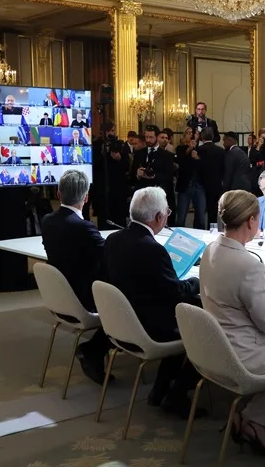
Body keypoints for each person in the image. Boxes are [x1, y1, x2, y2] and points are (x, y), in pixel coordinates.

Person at [200, 190, 265, 454]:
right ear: (251, 221)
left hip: (215, 349)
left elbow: (228, 290)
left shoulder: (211, 249)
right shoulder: (248, 264)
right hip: (245, 354)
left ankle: (250, 417)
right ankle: (256, 421)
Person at [103, 187, 203, 418]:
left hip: (124, 319)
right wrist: (197, 281)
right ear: (159, 217)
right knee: (204, 327)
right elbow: (176, 293)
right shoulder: (153, 250)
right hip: (150, 325)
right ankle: (177, 394)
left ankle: (160, 390)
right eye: (167, 212)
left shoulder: (114, 240)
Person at [41, 170, 113, 384]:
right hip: (85, 297)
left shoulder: (47, 221)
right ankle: (94, 349)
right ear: (86, 197)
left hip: (62, 294)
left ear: (58, 193)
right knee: (133, 295)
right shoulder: (83, 228)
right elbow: (109, 257)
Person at [175, 133, 207, 229]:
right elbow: (180, 162)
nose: (192, 136)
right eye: (188, 133)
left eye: (195, 134)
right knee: (181, 216)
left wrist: (197, 158)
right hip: (185, 185)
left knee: (201, 217)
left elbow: (205, 167)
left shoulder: (202, 149)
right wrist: (189, 149)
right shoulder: (180, 148)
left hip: (199, 186)